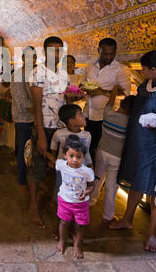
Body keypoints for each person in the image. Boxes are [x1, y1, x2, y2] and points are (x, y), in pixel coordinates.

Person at [109, 50, 156, 253]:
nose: (142, 72)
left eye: (144, 69)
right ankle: (127, 219)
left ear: (154, 69)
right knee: (136, 181)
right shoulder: (145, 85)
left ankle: (152, 232)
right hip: (138, 143)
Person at [28, 36, 68, 228]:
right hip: (43, 127)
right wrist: (41, 135)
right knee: (37, 167)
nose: (57, 54)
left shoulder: (63, 73)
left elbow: (62, 99)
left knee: (56, 167)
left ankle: (54, 199)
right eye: (53, 50)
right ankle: (34, 207)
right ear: (45, 52)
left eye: (59, 50)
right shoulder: (38, 73)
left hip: (60, 128)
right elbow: (36, 107)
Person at [89, 86, 135, 223]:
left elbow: (109, 104)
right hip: (116, 157)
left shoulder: (108, 114)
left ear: (121, 104)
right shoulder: (130, 124)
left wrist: (114, 92)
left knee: (97, 178)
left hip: (102, 151)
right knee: (111, 187)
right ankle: (108, 215)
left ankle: (90, 201)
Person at [82, 38, 131, 164]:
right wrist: (85, 89)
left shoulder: (121, 69)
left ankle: (99, 178)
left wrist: (101, 91)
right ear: (99, 51)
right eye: (105, 53)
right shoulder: (90, 66)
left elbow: (125, 93)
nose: (108, 56)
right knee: (89, 146)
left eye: (111, 53)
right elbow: (82, 84)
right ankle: (89, 173)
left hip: (106, 117)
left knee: (101, 150)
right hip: (88, 114)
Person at [56, 135, 95, 259]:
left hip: (81, 203)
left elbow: (92, 186)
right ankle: (62, 240)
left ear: (83, 157)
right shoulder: (61, 164)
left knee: (80, 225)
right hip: (64, 201)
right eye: (71, 156)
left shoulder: (86, 171)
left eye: (79, 157)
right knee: (64, 222)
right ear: (65, 155)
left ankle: (77, 245)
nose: (74, 160)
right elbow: (53, 161)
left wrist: (86, 192)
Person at [11, 46, 37, 188]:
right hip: (23, 118)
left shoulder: (35, 73)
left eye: (33, 57)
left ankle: (31, 176)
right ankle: (22, 178)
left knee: (32, 149)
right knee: (23, 147)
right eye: (28, 57)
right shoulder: (17, 75)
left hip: (34, 117)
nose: (31, 60)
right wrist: (38, 110)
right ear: (22, 59)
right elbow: (22, 100)